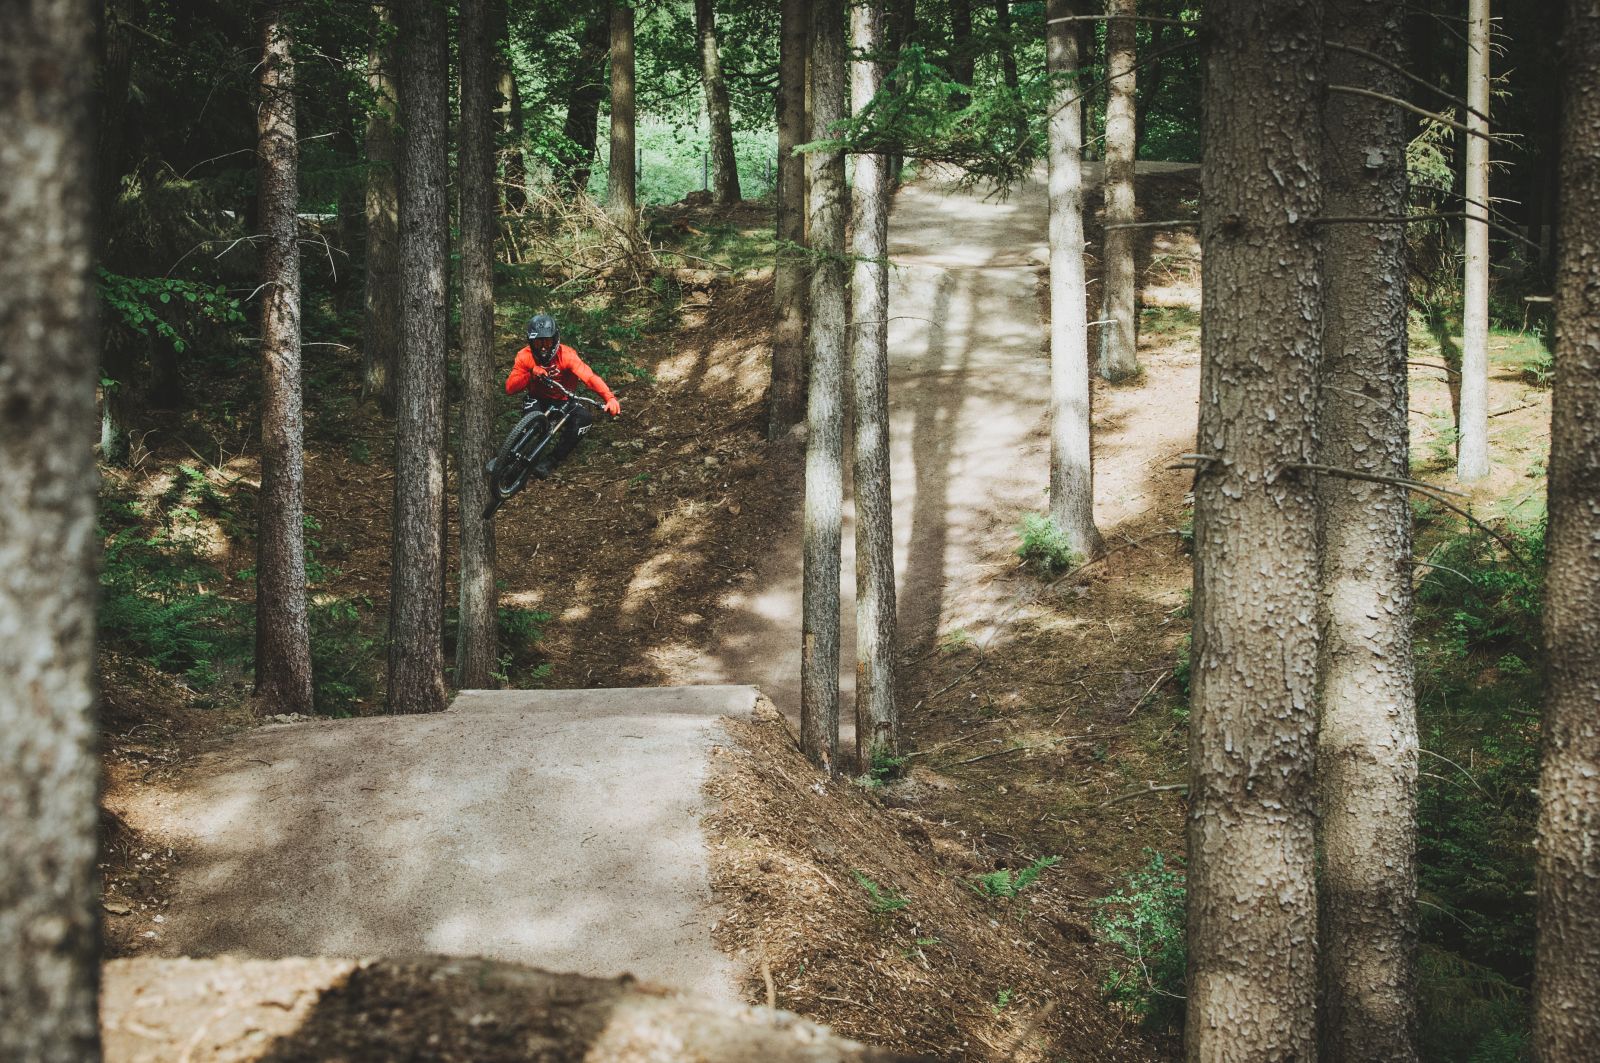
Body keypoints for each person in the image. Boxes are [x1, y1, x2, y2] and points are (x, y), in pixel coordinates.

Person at [503, 313, 621, 478]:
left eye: (547, 341)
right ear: (531, 343)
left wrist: (609, 398)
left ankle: (552, 461)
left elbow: (589, 377)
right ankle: (505, 459)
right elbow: (510, 387)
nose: (543, 347)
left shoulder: (567, 355)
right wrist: (530, 374)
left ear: (555, 339)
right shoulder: (525, 356)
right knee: (530, 421)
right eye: (538, 342)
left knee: (584, 419)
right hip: (537, 398)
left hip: (564, 399)